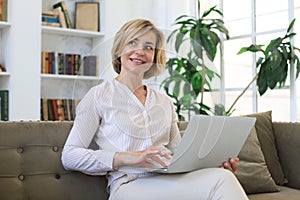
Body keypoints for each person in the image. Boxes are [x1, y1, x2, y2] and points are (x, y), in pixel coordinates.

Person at [61, 18, 248, 200]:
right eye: (132, 42)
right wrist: (126, 158)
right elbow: (70, 155)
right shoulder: (98, 96)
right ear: (119, 49)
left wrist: (213, 168)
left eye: (148, 47)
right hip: (128, 185)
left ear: (154, 57)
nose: (140, 51)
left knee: (223, 177)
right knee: (221, 182)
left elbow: (180, 155)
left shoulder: (164, 101)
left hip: (169, 180)